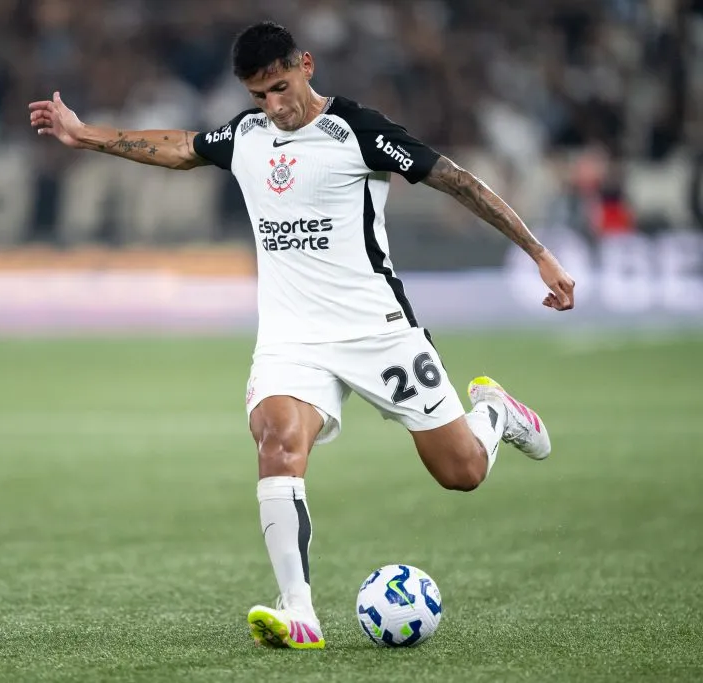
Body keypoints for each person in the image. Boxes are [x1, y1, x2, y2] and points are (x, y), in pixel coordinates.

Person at [29, 21, 575, 650]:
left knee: (463, 472)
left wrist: (539, 253)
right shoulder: (248, 134)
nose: (274, 106)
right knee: (276, 439)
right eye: (259, 95)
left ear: (307, 65)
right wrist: (86, 134)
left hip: (377, 330)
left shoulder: (358, 131)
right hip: (293, 338)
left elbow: (455, 180)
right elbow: (180, 146)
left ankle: (495, 413)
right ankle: (299, 612)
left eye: (281, 88)